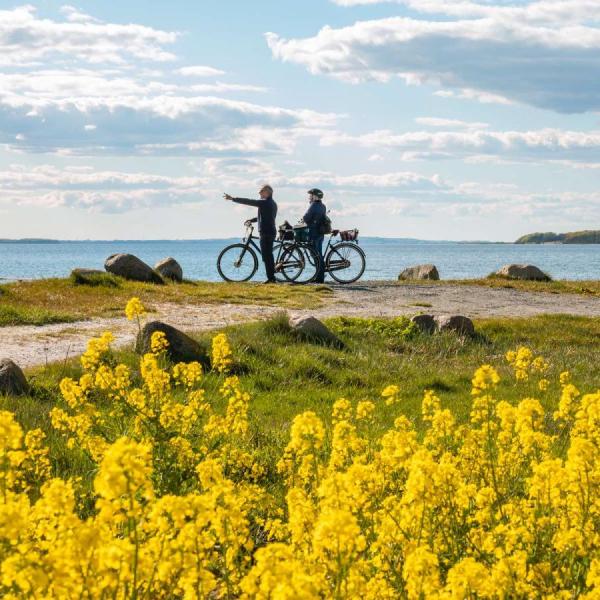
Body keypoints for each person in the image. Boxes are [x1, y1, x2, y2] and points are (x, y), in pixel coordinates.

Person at [224, 185, 278, 283]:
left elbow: (249, 201)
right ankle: (271, 276)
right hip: (269, 231)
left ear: (267, 192)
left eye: (261, 191)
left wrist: (233, 199)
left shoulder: (265, 203)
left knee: (267, 256)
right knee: (267, 256)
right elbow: (265, 217)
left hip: (266, 232)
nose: (259, 193)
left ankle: (271, 278)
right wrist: (251, 220)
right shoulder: (272, 203)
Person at [303, 188, 327, 283]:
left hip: (313, 232)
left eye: (311, 195)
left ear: (315, 196)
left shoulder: (313, 205)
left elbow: (306, 217)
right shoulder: (323, 206)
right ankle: (319, 276)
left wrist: (307, 220)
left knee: (315, 255)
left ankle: (319, 277)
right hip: (320, 233)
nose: (309, 197)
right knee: (319, 255)